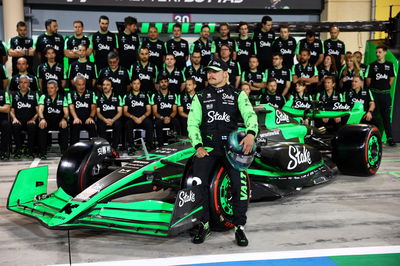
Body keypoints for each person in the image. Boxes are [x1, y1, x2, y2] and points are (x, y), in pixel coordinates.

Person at [188, 58, 258, 246]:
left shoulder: (238, 95)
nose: (210, 74)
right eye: (209, 71)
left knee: (239, 184)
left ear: (225, 74)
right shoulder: (200, 96)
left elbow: (250, 115)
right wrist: (198, 146)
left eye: (215, 71)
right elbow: (192, 123)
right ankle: (203, 224)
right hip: (208, 148)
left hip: (232, 149)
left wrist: (251, 134)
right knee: (197, 182)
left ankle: (239, 227)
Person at [366, 45, 397, 146]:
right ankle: (372, 137)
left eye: (379, 52)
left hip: (385, 94)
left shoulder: (390, 64)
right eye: (376, 52)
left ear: (385, 52)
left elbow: (391, 79)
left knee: (386, 117)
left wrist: (385, 87)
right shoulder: (372, 65)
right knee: (374, 116)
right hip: (374, 94)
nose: (377, 54)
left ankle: (389, 138)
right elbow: (368, 80)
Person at [37, 80, 69, 159]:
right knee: (42, 126)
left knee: (64, 126)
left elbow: (66, 112)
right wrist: (42, 119)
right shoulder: (43, 97)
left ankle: (64, 152)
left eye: (51, 88)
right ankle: (42, 153)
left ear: (57, 89)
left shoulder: (62, 98)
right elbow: (40, 110)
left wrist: (64, 119)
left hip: (58, 121)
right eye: (48, 88)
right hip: (47, 121)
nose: (49, 90)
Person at [10, 75, 38, 158]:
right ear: (18, 84)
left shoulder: (34, 94)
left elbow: (38, 110)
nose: (23, 84)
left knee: (32, 126)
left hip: (30, 120)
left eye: (25, 82)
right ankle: (19, 149)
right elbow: (11, 110)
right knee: (15, 126)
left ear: (29, 84)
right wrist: (14, 118)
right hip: (18, 120)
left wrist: (33, 119)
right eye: (21, 82)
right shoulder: (14, 95)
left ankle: (30, 150)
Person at [124, 78, 154, 155]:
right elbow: (125, 111)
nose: (136, 85)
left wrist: (141, 118)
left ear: (140, 85)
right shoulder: (127, 96)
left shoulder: (145, 95)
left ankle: (148, 145)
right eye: (134, 83)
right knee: (127, 124)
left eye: (138, 83)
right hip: (132, 118)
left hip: (142, 118)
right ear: (131, 85)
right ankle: (131, 146)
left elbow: (149, 110)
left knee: (150, 123)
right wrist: (134, 118)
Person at [151, 74, 180, 147]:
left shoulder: (173, 95)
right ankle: (161, 146)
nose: (164, 84)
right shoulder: (155, 95)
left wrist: (169, 118)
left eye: (165, 82)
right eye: (161, 82)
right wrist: (162, 118)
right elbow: (154, 112)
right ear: (158, 84)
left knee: (177, 122)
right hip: (160, 117)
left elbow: (174, 111)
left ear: (168, 83)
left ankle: (176, 144)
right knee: (158, 123)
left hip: (170, 117)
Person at [68, 75, 97, 145]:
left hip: (88, 118)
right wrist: (75, 118)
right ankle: (74, 149)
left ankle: (93, 148)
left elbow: (94, 107)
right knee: (75, 126)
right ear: (75, 84)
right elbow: (71, 107)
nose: (81, 87)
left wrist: (91, 117)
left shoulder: (91, 93)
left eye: (83, 84)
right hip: (76, 119)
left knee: (92, 126)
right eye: (79, 85)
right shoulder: (70, 94)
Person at [96, 79, 123, 150]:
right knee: (100, 125)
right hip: (103, 119)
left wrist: (113, 120)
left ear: (111, 87)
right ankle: (105, 148)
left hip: (114, 119)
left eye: (107, 85)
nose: (105, 86)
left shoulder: (117, 97)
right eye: (104, 85)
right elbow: (98, 112)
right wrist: (105, 120)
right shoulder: (98, 97)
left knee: (118, 124)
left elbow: (120, 112)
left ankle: (114, 147)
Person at [0, 88, 11, 160]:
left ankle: (3, 151)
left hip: (1, 120)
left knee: (6, 125)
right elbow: (4, 108)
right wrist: (2, 108)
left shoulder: (4, 93)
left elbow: (7, 109)